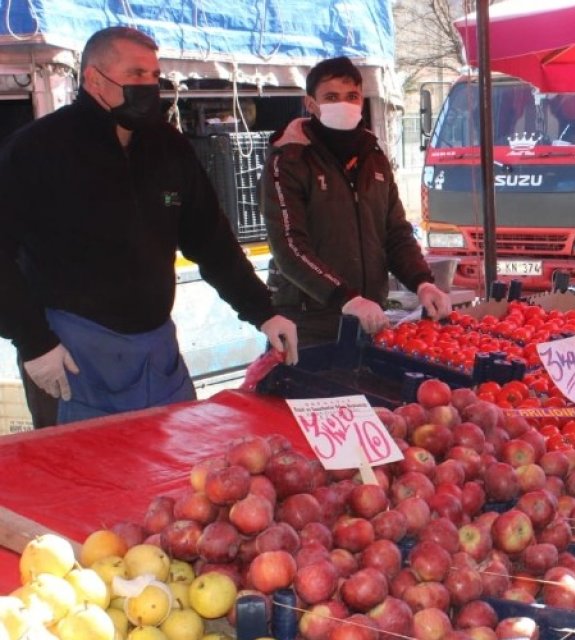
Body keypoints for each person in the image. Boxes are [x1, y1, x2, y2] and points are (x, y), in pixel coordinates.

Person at [0, 26, 298, 426]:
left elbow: (211, 241)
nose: (149, 86)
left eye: (154, 76)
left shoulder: (169, 147)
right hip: (71, 355)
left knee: (176, 473)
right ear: (93, 79)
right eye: (135, 74)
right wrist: (34, 341)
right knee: (87, 481)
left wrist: (264, 311)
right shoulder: (37, 149)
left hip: (157, 351)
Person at [261, 57, 450, 347]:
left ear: (361, 100)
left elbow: (396, 233)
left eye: (351, 97)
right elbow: (289, 248)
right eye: (331, 97)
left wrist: (422, 282)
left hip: (369, 319)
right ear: (311, 104)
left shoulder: (373, 157)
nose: (343, 104)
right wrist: (346, 298)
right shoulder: (289, 160)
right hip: (307, 324)